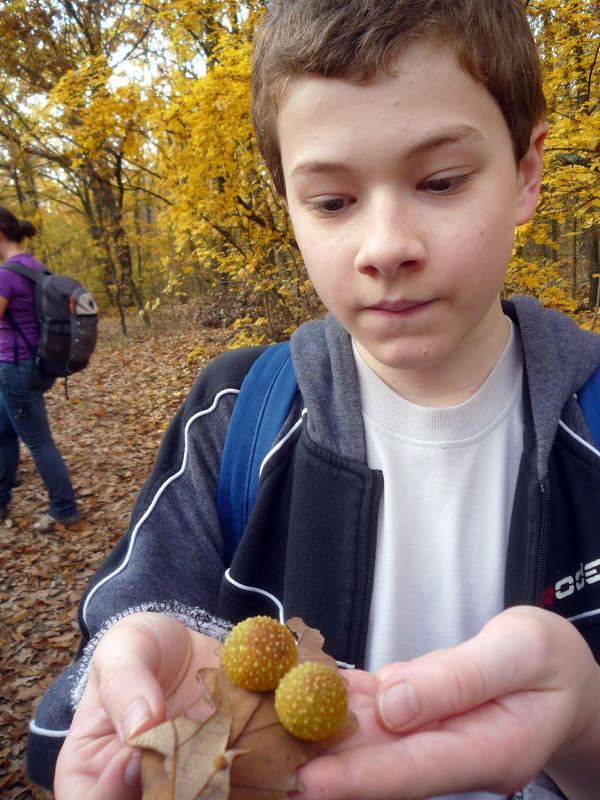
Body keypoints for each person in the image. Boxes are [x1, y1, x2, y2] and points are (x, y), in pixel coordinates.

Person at [27, 1, 600, 798]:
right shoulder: (235, 415)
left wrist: (585, 727)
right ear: (286, 202)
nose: (386, 246)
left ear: (527, 173)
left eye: (440, 181)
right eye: (332, 201)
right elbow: (95, 677)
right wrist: (129, 684)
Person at [0, 206, 80, 531]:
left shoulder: (6, 275)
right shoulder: (37, 269)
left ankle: (64, 509)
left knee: (39, 442)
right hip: (35, 364)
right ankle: (1, 500)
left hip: (16, 367)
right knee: (3, 432)